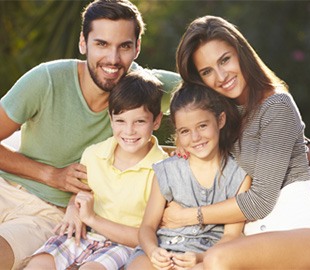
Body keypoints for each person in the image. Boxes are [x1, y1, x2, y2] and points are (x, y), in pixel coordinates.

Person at [0, 0, 180, 269]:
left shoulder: (147, 89)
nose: (113, 59)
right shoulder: (45, 80)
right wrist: (51, 174)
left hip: (47, 213)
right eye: (102, 44)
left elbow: (214, 93)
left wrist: (185, 151)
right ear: (83, 43)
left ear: (137, 48)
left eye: (124, 46)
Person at [160, 15, 310, 269]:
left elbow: (261, 200)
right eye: (207, 71)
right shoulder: (224, 118)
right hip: (253, 236)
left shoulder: (277, 105)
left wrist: (188, 217)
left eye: (225, 60)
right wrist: (188, 138)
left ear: (241, 53)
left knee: (216, 259)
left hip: (297, 228)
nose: (222, 76)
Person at [23, 70, 168, 270]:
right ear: (110, 119)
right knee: (38, 264)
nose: (129, 131)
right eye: (121, 121)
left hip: (123, 245)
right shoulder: (94, 154)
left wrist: (92, 218)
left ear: (157, 121)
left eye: (140, 121)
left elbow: (147, 237)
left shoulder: (162, 169)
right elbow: (81, 195)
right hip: (84, 236)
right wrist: (74, 208)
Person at [127, 84, 251, 270]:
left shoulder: (239, 175)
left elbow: (231, 237)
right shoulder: (167, 171)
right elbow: (147, 227)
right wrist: (153, 251)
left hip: (207, 254)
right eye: (185, 131)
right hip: (163, 247)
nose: (195, 137)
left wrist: (200, 257)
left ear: (220, 120)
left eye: (202, 126)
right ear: (177, 133)